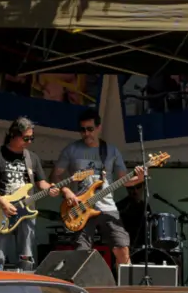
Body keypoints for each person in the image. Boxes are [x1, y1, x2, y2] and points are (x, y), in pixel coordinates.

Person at [53, 108, 144, 266]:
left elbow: (124, 180)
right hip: (80, 207)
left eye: (90, 129)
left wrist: (139, 178)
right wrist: (66, 191)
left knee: (122, 247)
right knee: (81, 253)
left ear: (99, 128)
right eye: (82, 130)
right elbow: (55, 176)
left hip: (107, 206)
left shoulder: (111, 150)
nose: (86, 133)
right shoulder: (71, 150)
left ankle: (123, 287)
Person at [0, 116, 57, 271]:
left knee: (26, 254)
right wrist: (3, 203)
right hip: (3, 211)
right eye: (26, 138)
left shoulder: (32, 158)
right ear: (13, 135)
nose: (29, 142)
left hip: (27, 212)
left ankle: (25, 287)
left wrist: (50, 189)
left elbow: (40, 182)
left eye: (31, 138)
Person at [115, 182, 152, 247]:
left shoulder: (146, 206)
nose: (135, 191)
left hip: (141, 246)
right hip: (124, 245)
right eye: (131, 188)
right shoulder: (120, 206)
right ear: (127, 189)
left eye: (138, 187)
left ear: (143, 187)